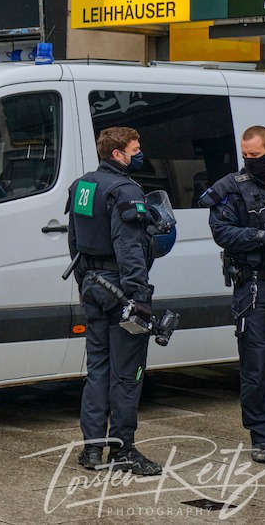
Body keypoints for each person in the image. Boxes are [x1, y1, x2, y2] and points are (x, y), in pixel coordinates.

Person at [200, 125, 265, 464]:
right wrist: (261, 236)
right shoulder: (231, 187)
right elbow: (221, 231)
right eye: (245, 156)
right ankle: (262, 438)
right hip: (254, 287)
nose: (249, 161)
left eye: (255, 156)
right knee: (254, 369)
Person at [67, 126, 161, 476]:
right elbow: (129, 249)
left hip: (92, 287)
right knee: (127, 374)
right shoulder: (126, 190)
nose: (140, 153)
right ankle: (124, 451)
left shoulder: (83, 186)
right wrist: (140, 297)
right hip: (122, 289)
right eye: (135, 149)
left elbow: (74, 242)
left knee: (98, 371)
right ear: (118, 153)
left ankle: (92, 450)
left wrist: (87, 282)